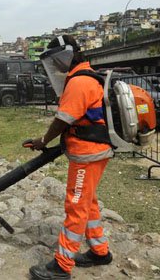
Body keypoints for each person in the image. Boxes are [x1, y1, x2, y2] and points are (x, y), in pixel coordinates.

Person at [27, 35, 114, 279]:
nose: (55, 65)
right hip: (94, 151)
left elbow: (63, 120)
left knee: (76, 205)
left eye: (56, 59)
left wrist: (43, 140)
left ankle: (62, 266)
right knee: (88, 202)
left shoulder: (79, 82)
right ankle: (100, 251)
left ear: (66, 55)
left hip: (87, 154)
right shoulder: (85, 76)